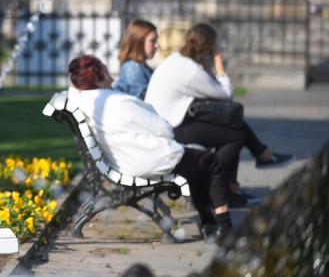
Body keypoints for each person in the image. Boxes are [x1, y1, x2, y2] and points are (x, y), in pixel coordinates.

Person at [68, 55, 234, 240]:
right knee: (213, 163)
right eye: (107, 74)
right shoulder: (117, 102)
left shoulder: (87, 100)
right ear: (97, 78)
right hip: (147, 159)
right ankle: (225, 227)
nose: (112, 79)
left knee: (196, 164)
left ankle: (209, 223)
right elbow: (165, 129)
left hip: (126, 159)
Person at [144, 23, 292, 205]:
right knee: (235, 135)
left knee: (233, 125)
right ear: (209, 47)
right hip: (171, 128)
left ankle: (235, 184)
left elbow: (212, 92)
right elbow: (226, 95)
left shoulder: (179, 60)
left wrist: (206, 65)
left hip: (170, 121)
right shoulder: (191, 71)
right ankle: (223, 187)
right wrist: (219, 65)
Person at [113, 20, 159, 99]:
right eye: (152, 41)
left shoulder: (141, 66)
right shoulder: (133, 67)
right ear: (139, 41)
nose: (157, 45)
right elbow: (142, 102)